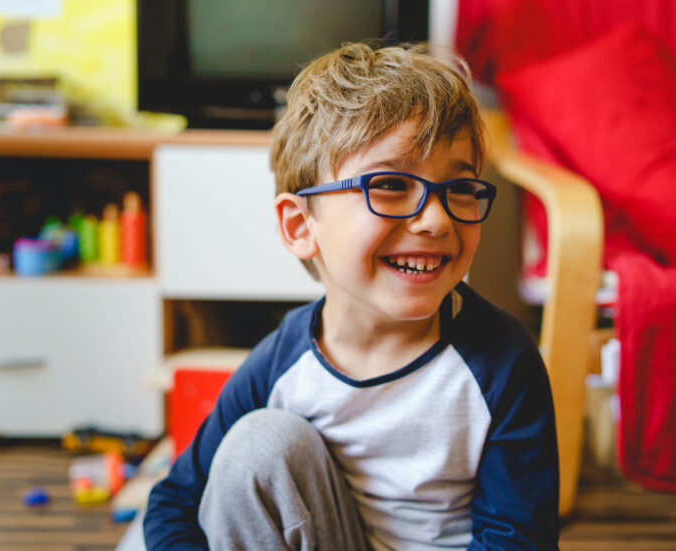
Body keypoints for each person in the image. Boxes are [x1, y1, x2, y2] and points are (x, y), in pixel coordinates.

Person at [144, 42, 559, 550]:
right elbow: (174, 502)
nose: (437, 219)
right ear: (301, 226)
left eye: (461, 188)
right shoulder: (283, 361)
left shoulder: (502, 361)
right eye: (389, 184)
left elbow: (519, 539)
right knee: (258, 447)